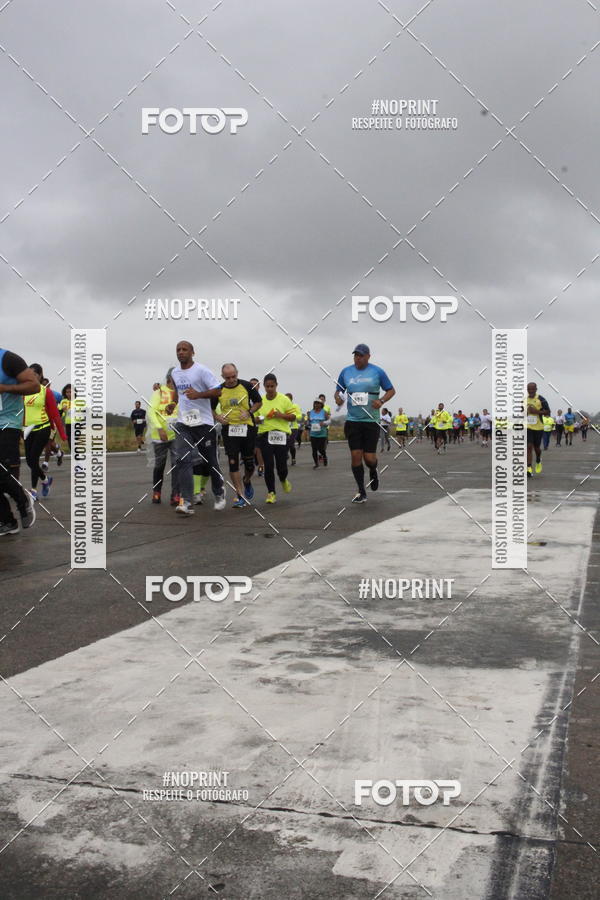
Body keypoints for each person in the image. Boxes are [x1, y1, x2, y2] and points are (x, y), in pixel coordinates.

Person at [334, 343, 395, 503]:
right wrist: (337, 397)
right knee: (355, 456)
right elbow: (338, 390)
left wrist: (381, 401)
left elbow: (391, 390)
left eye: (361, 355)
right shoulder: (346, 372)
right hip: (353, 421)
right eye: (355, 355)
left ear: (368, 356)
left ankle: (373, 470)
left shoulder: (377, 371)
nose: (357, 358)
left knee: (369, 458)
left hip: (371, 421)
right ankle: (361, 491)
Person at [171, 340, 224, 515]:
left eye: (184, 349)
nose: (181, 352)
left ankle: (219, 493)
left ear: (193, 352)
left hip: (203, 423)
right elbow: (177, 392)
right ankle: (186, 501)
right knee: (182, 460)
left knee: (210, 461)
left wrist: (198, 394)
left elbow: (218, 390)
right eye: (178, 349)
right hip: (183, 423)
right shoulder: (175, 372)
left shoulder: (201, 370)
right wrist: (172, 404)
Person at [0, 348, 38, 535]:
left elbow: (34, 386)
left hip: (7, 422)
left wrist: (5, 388)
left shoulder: (8, 359)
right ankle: (8, 521)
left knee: (2, 471)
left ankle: (22, 499)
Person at [214, 363, 262, 508]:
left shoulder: (247, 386)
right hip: (229, 430)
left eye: (234, 376)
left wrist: (249, 412)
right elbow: (209, 408)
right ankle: (240, 495)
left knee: (249, 463)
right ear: (223, 377)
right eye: (228, 377)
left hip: (247, 427)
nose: (231, 380)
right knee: (233, 462)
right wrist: (218, 418)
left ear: (237, 373)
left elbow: (259, 402)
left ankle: (246, 480)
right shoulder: (219, 390)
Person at [23, 364, 67, 500]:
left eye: (35, 374)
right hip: (27, 429)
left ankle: (34, 490)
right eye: (30, 374)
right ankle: (45, 479)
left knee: (34, 458)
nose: (32, 376)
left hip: (43, 427)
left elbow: (54, 413)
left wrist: (62, 433)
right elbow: (21, 411)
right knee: (30, 461)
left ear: (40, 375)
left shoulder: (45, 391)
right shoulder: (24, 390)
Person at [257, 374, 295, 503]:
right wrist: (264, 417)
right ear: (264, 386)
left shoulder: (284, 399)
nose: (270, 389)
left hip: (281, 435)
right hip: (265, 435)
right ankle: (271, 492)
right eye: (267, 386)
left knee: (281, 466)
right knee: (268, 465)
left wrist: (280, 415)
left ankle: (283, 479)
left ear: (276, 385)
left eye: (272, 386)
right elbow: (255, 419)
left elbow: (293, 417)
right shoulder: (260, 401)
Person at [148, 370, 180, 505]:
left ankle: (175, 495)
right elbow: (151, 412)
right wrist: (159, 428)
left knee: (177, 465)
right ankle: (157, 492)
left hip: (177, 435)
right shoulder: (159, 392)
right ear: (169, 379)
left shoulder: (181, 394)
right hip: (160, 436)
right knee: (159, 465)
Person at [526, 382, 550, 477]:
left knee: (536, 448)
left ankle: (538, 459)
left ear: (536, 389)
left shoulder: (541, 399)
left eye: (532, 389)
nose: (531, 391)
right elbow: (521, 411)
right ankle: (529, 469)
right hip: (528, 427)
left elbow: (548, 411)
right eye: (529, 389)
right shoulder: (524, 400)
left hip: (538, 427)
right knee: (529, 446)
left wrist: (536, 412)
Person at [307, 399, 331, 467]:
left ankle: (324, 457)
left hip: (322, 434)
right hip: (313, 434)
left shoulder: (324, 412)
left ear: (321, 404)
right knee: (314, 449)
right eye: (315, 403)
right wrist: (307, 422)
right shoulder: (310, 412)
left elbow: (329, 421)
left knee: (321, 449)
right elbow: (308, 423)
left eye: (318, 403)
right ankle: (316, 463)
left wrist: (324, 423)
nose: (317, 405)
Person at [285, 393, 302, 466]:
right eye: (285, 398)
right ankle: (286, 455)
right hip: (284, 428)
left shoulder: (295, 406)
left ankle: (293, 458)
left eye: (288, 398)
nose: (287, 400)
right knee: (284, 444)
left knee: (291, 444)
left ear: (291, 399)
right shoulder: (283, 406)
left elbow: (299, 416)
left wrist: (293, 417)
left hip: (293, 428)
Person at [59, 384, 73, 450]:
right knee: (70, 441)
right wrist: (62, 410)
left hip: (78, 424)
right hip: (68, 424)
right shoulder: (63, 401)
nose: (69, 394)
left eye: (70, 392)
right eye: (67, 392)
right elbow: (59, 414)